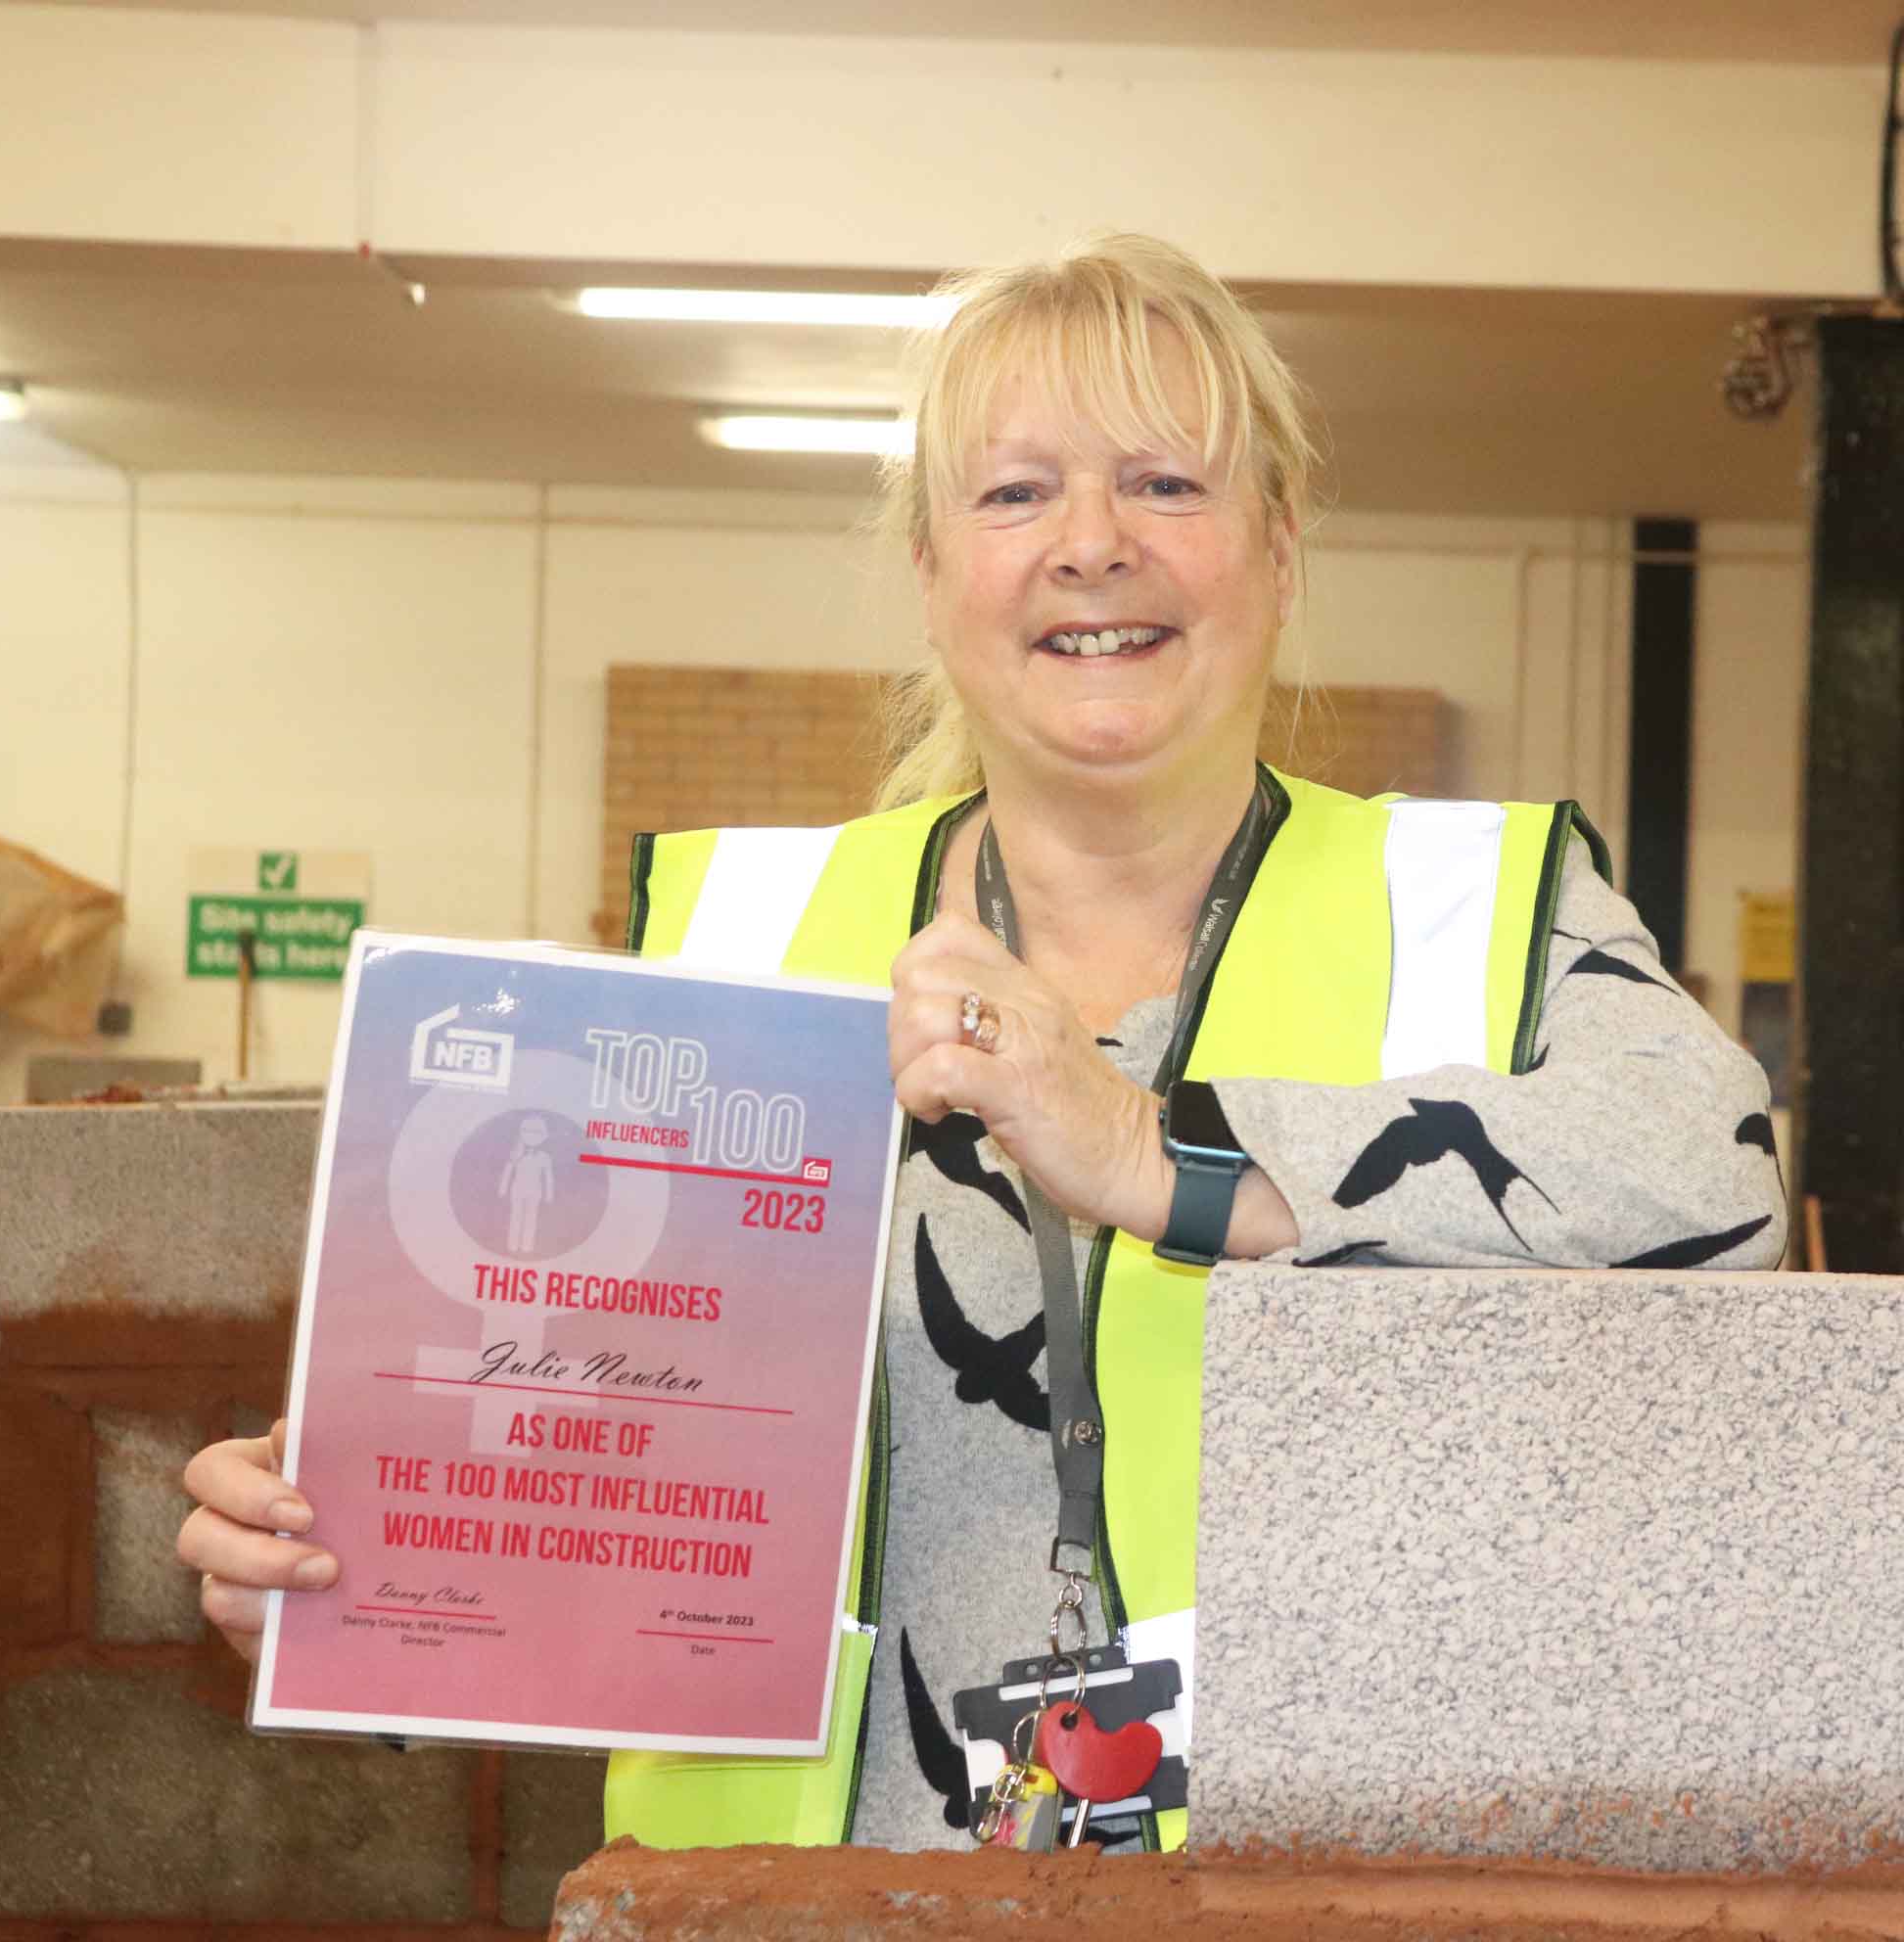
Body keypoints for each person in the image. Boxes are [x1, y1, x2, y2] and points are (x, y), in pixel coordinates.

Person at [178, 233, 1785, 1857]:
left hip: (1318, 1887)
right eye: (1016, 495)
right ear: (935, 575)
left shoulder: (1473, 905)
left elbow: (1720, 1178)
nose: (1092, 547)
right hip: (807, 1901)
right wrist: (345, 1575)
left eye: (1166, 483)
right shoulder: (748, 946)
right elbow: (596, 1484)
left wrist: (1162, 1152)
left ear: (1283, 550)